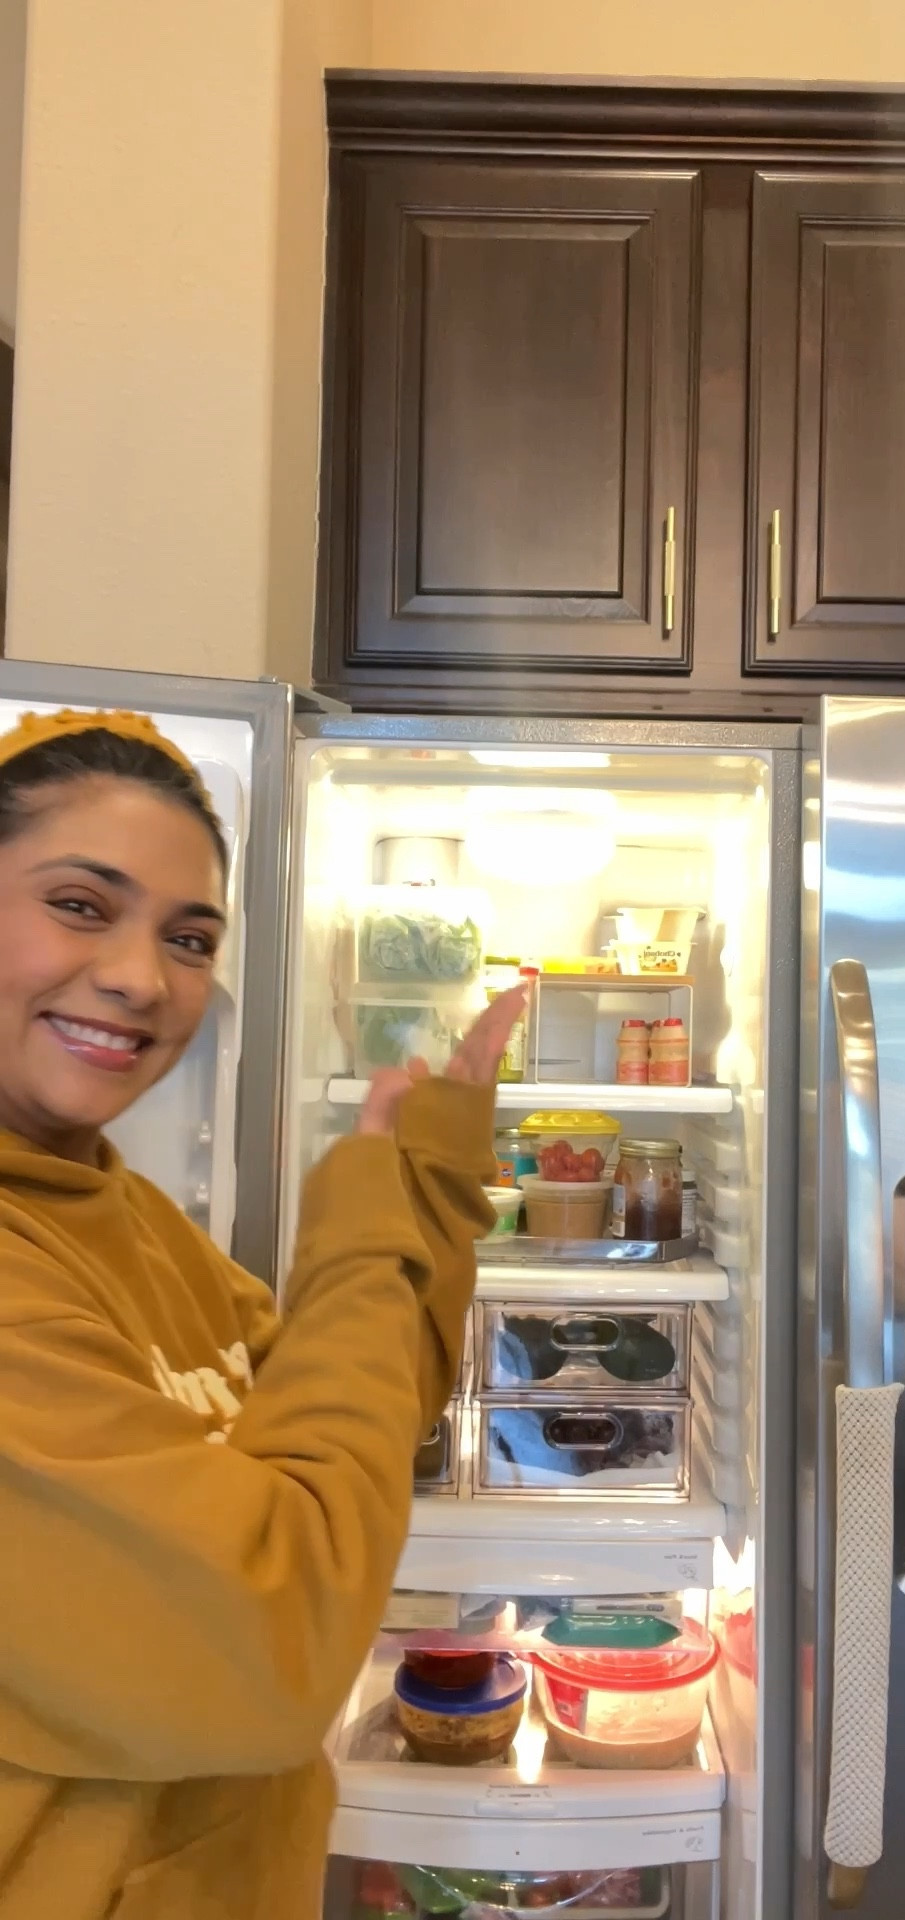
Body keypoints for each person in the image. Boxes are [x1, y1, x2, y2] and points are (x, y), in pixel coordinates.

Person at [0, 706, 525, 1919]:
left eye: (190, 938)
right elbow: (275, 1639)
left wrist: (429, 1177)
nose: (142, 978)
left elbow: (349, 1430)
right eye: (79, 903)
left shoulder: (124, 1214)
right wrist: (366, 1211)